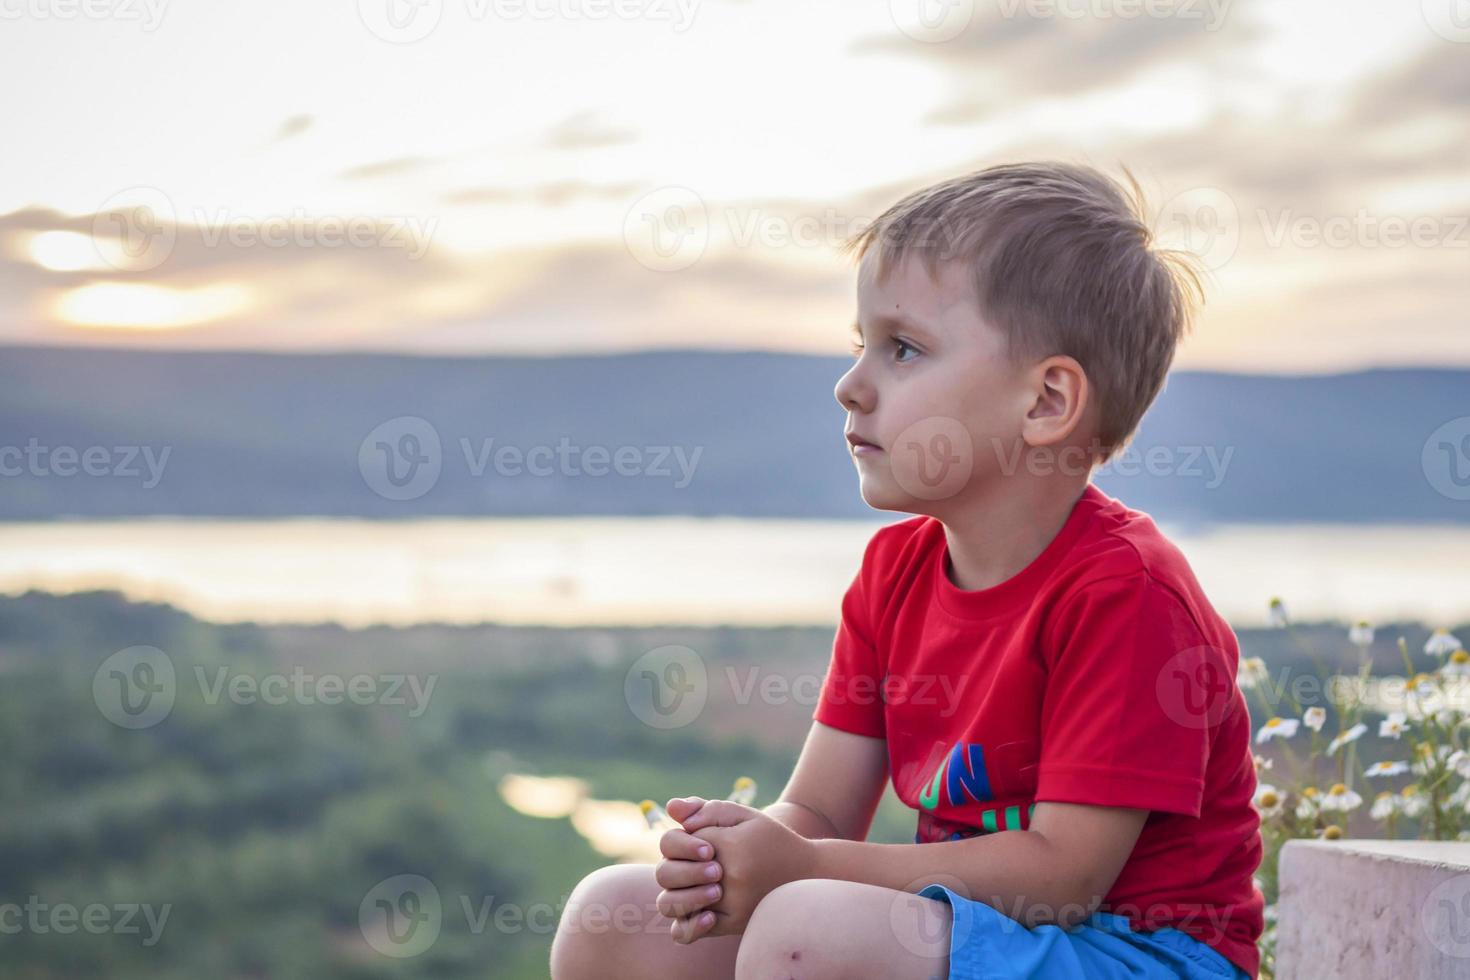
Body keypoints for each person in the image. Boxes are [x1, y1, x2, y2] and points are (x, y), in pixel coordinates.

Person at [551, 161, 1264, 980]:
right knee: (615, 919)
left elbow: (1064, 879)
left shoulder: (1126, 594)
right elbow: (819, 811)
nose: (850, 386)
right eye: (861, 346)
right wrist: (746, 855)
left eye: (903, 349)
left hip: (1137, 953)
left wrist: (804, 872)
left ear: (1046, 403)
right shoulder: (895, 573)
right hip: (983, 935)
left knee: (804, 929)